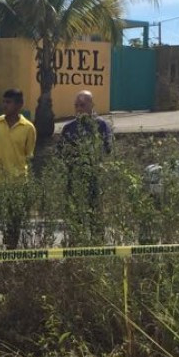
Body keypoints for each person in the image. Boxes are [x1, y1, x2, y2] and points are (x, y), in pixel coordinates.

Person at [0, 88, 36, 250]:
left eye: (8, 102)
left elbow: (28, 156)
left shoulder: (28, 128)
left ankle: (9, 257)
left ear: (19, 105)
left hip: (18, 183)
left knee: (13, 223)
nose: (4, 105)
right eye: (4, 101)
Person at [57, 90, 112, 244]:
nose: (79, 108)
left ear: (92, 105)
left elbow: (107, 148)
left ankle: (97, 247)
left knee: (95, 218)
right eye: (76, 105)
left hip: (94, 179)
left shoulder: (101, 125)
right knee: (75, 219)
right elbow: (60, 152)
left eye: (82, 105)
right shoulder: (69, 128)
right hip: (74, 179)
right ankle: (76, 249)